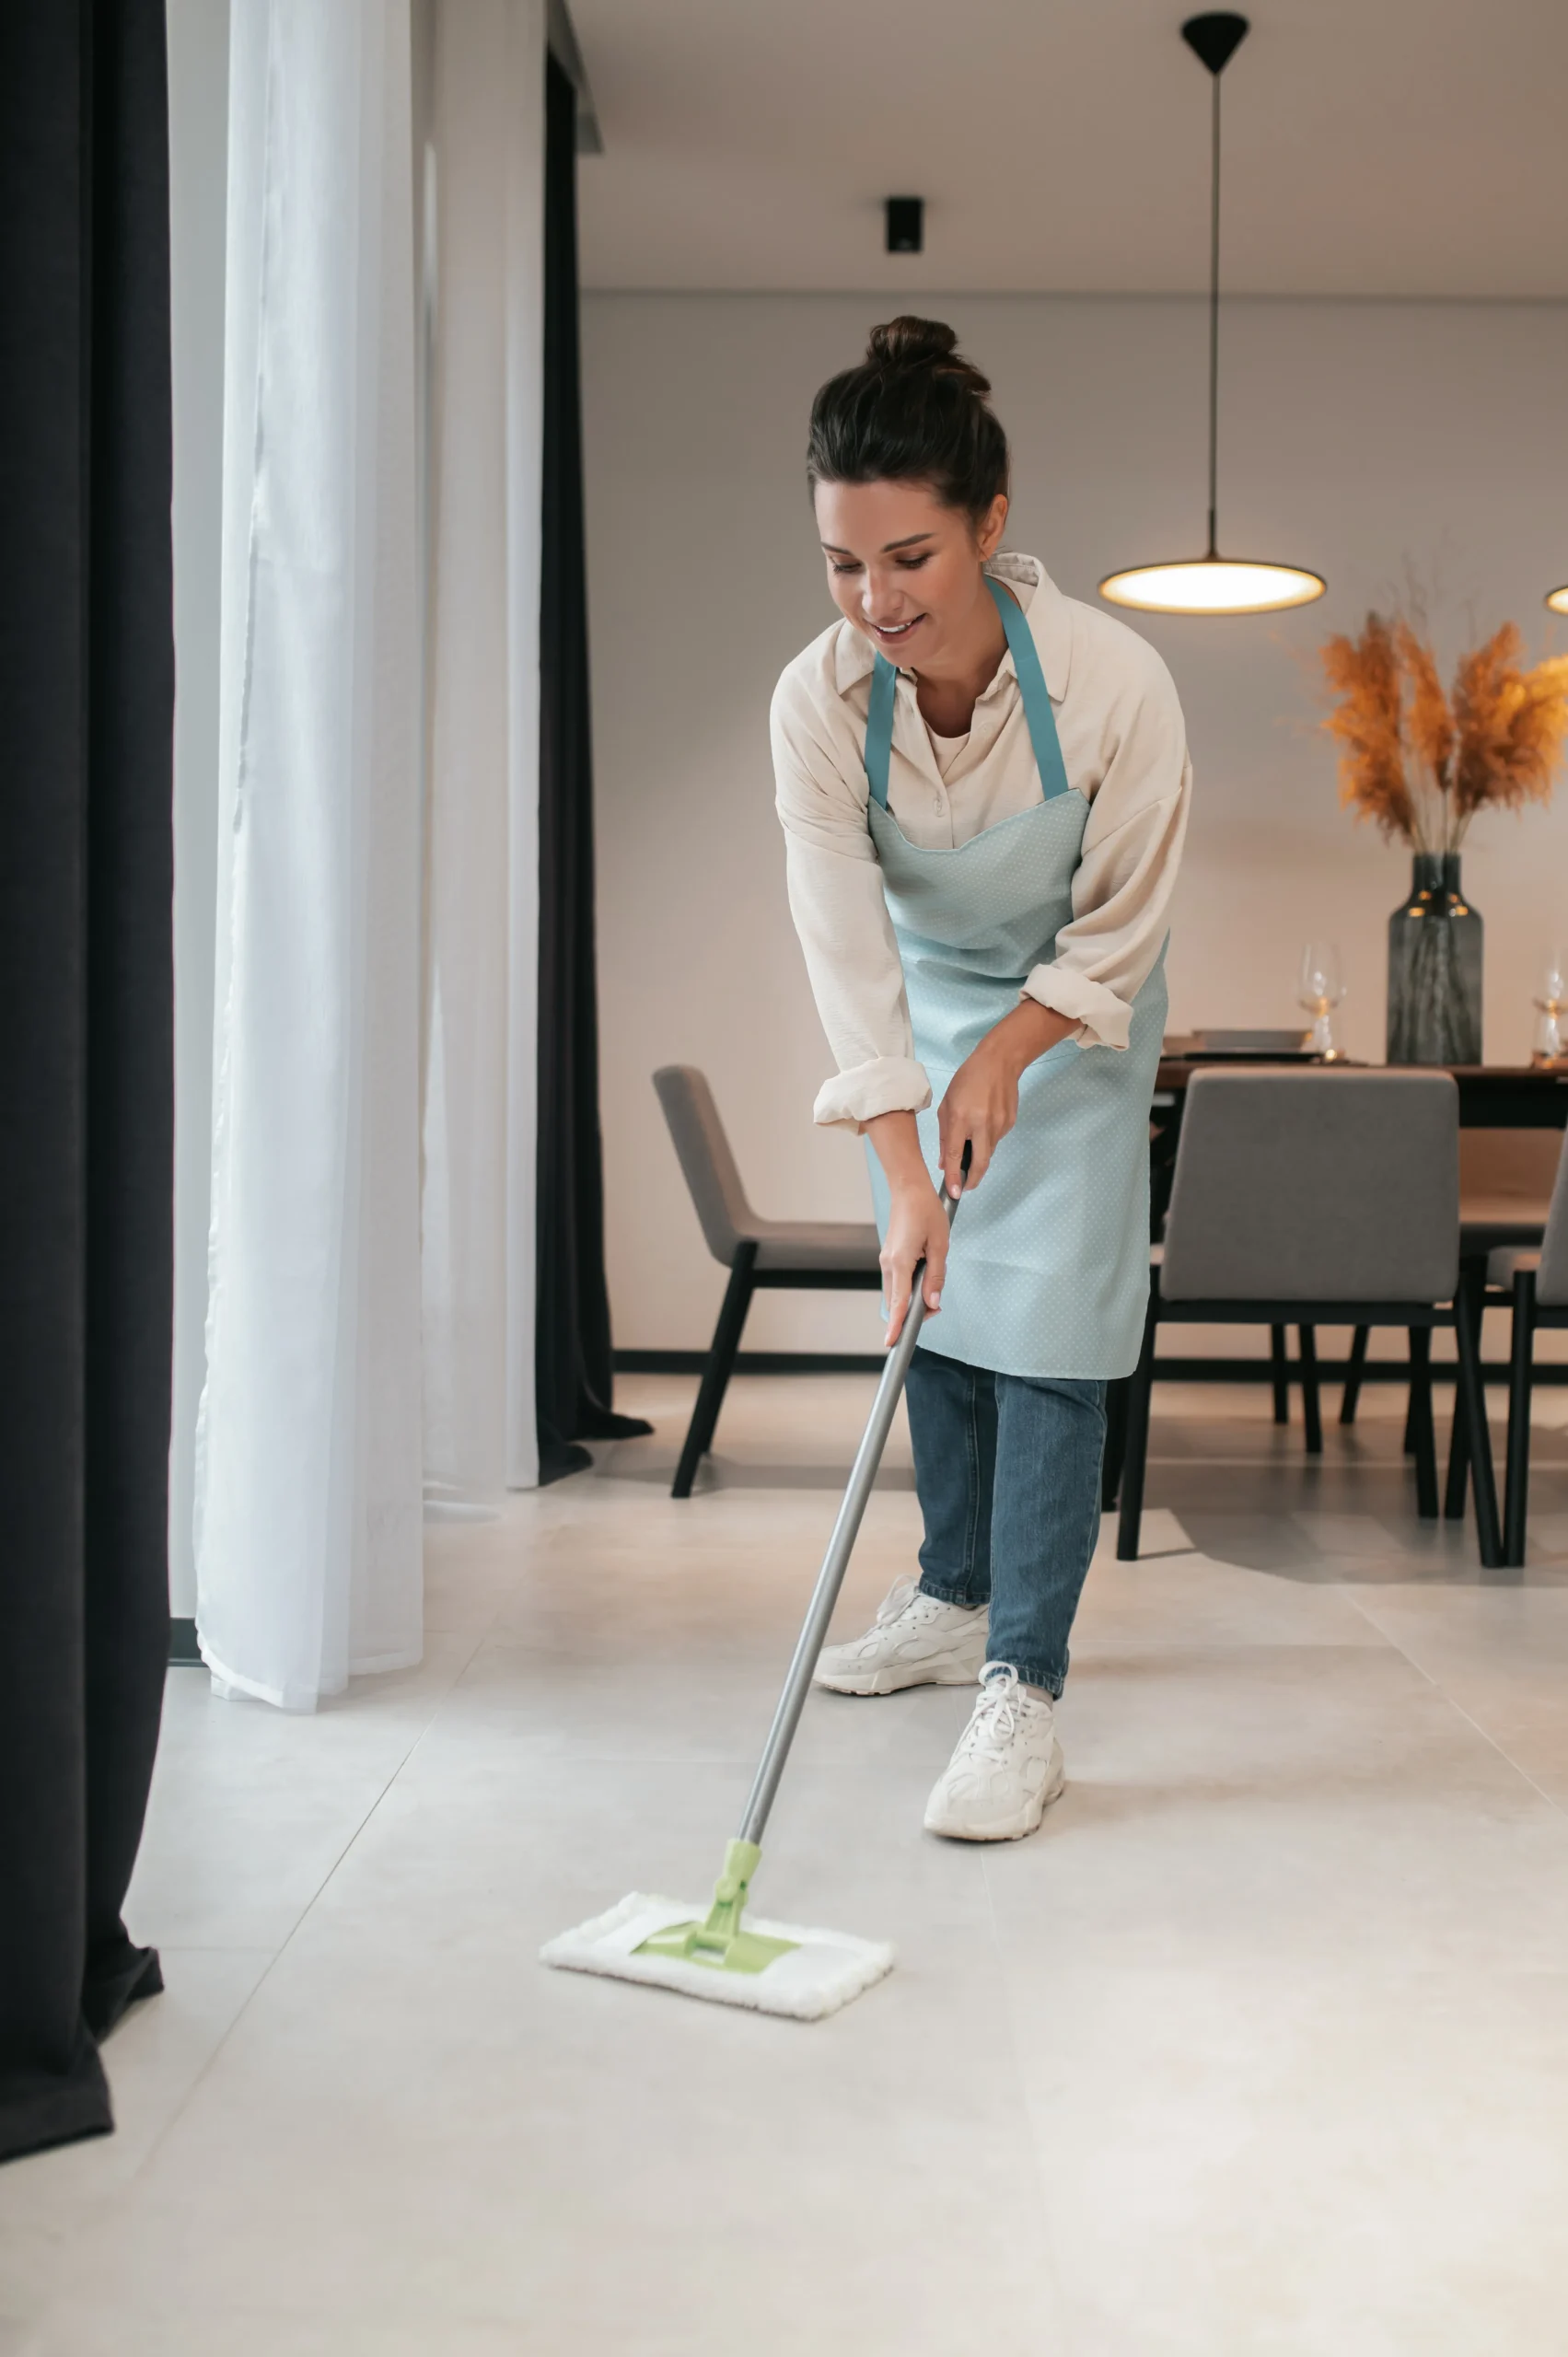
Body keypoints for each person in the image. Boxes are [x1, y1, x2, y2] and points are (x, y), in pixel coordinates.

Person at [771, 316, 1191, 1841]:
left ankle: (1024, 1685)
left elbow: (1121, 922)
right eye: (842, 563)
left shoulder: (1113, 683)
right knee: (936, 1293)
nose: (873, 600)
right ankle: (950, 1598)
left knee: (1054, 1339)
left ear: (989, 528)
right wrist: (900, 1164)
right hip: (926, 1016)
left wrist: (1015, 1053)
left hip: (1077, 1017)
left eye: (909, 558)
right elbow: (842, 949)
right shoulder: (815, 707)